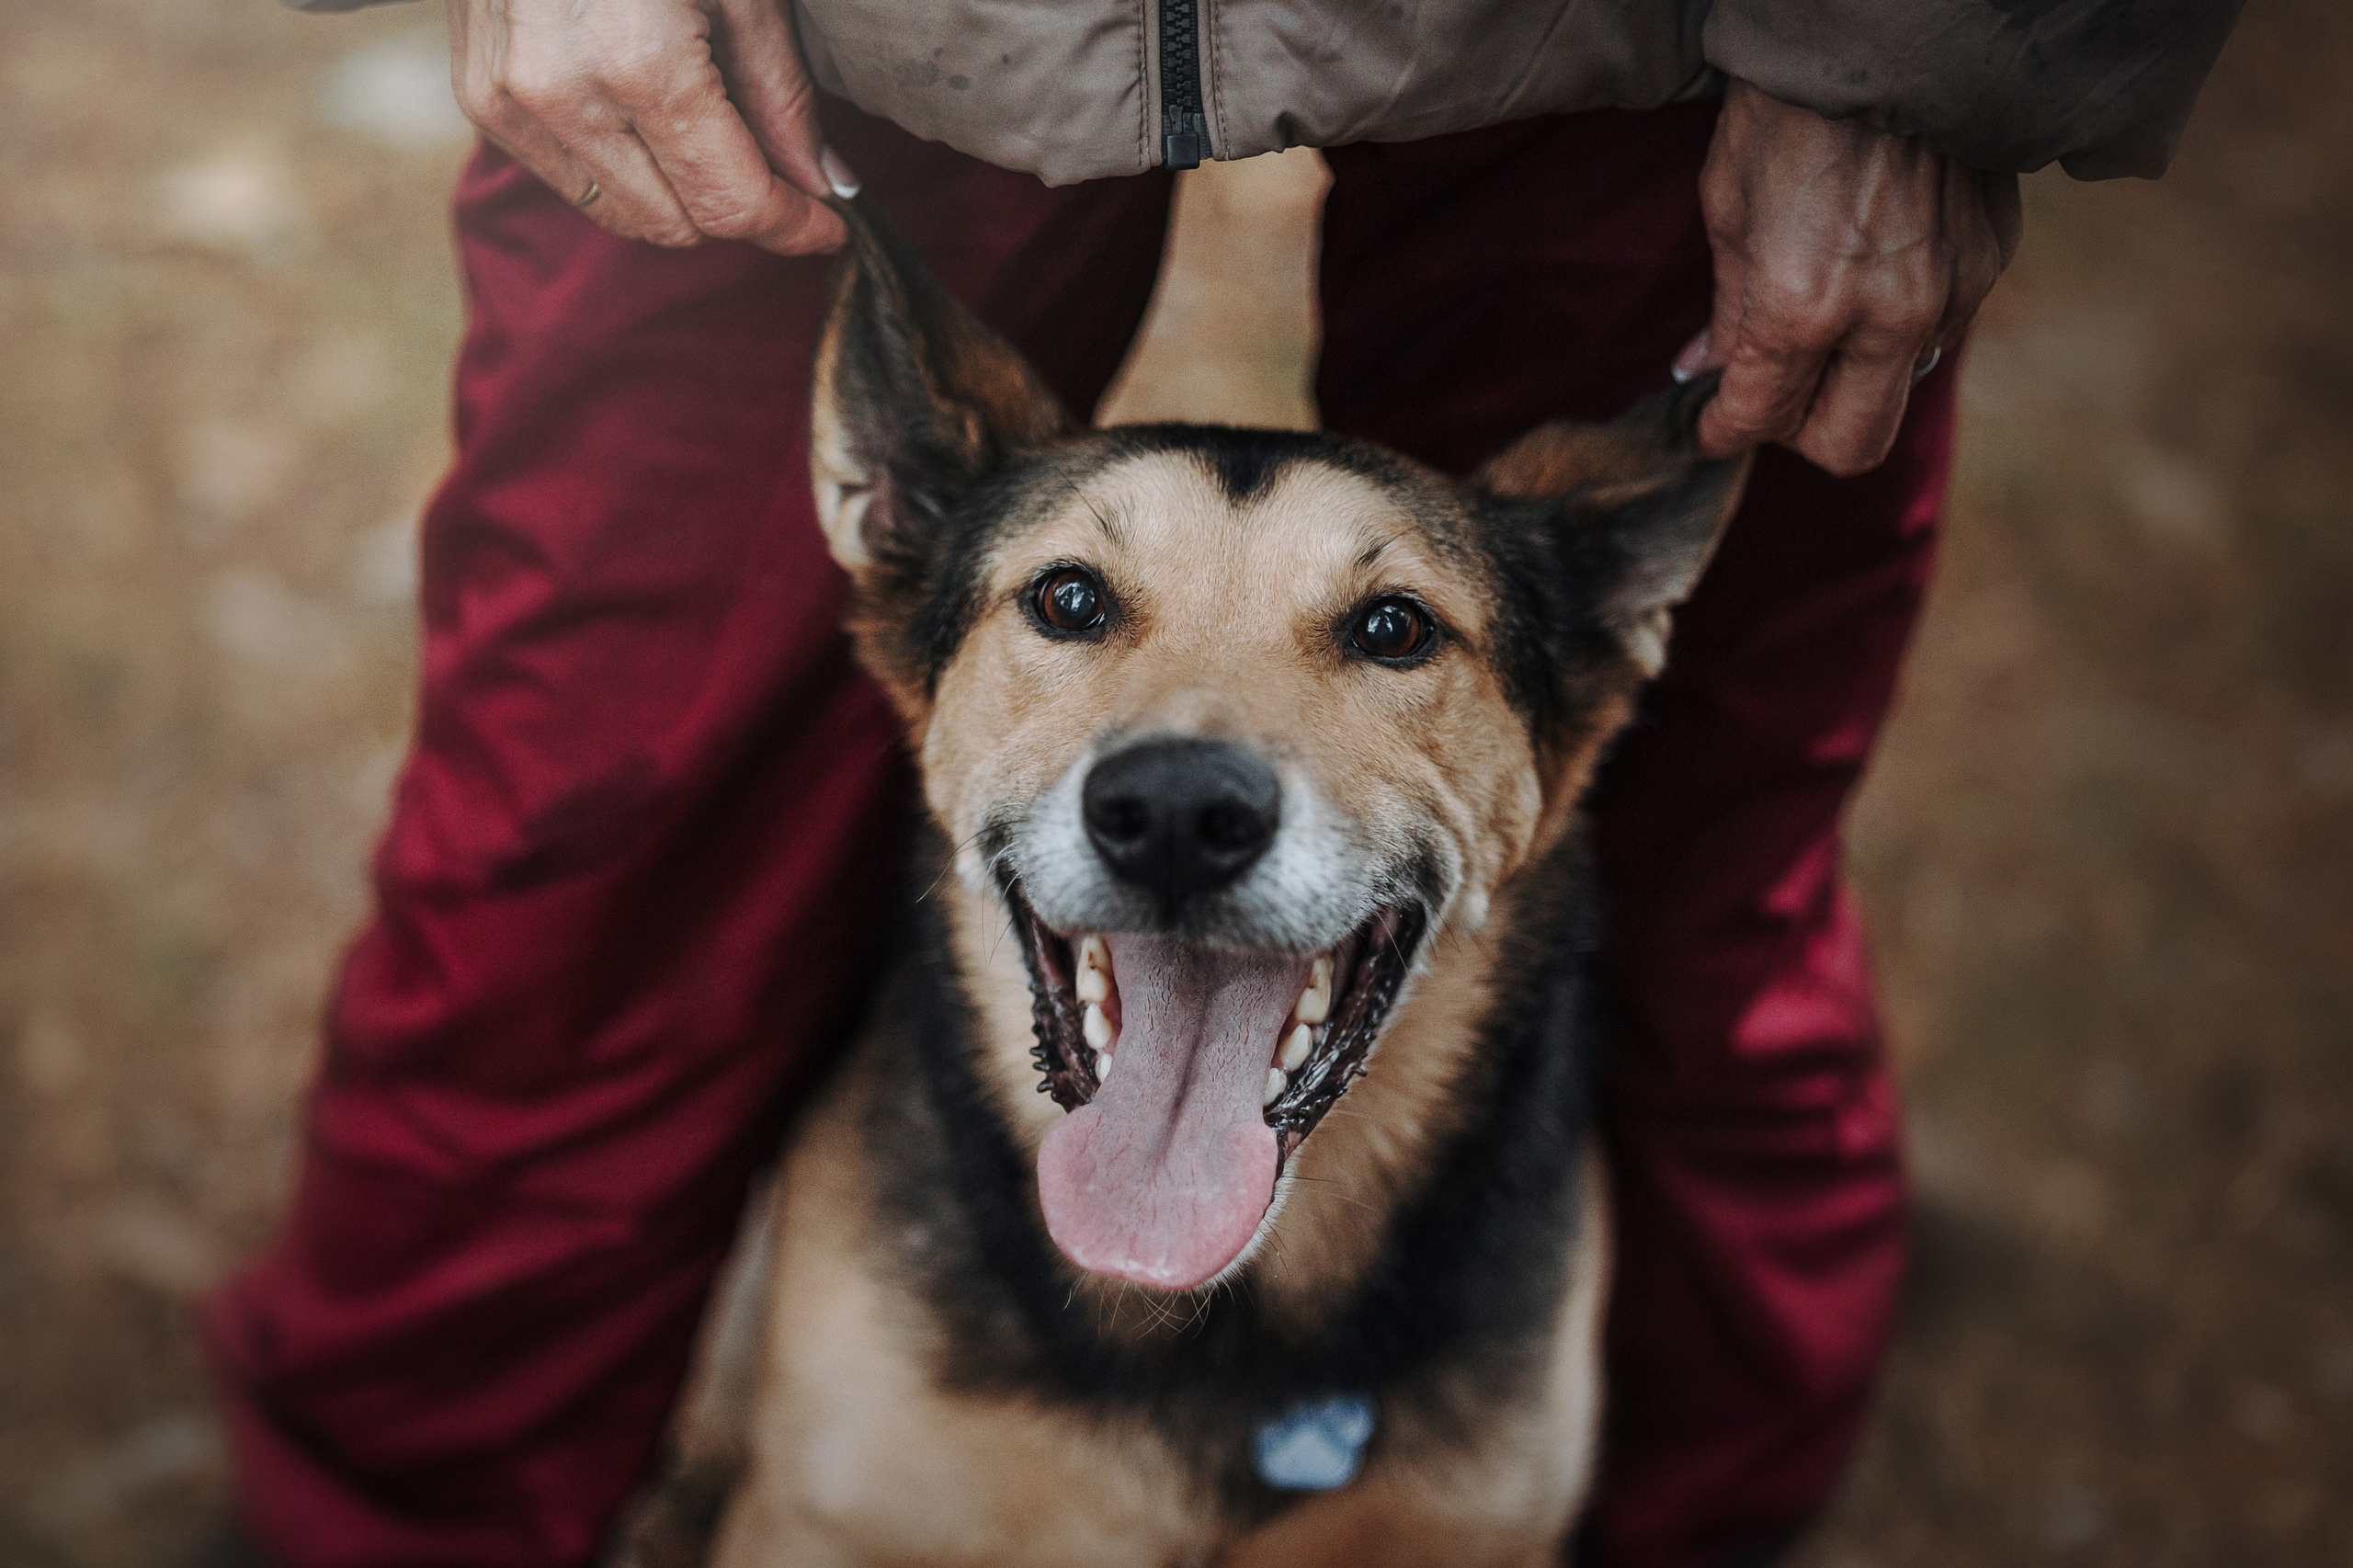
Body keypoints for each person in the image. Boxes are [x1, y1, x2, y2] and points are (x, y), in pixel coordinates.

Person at [201, 1, 2241, 1564]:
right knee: (578, 863)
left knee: (1692, 906)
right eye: (1080, 603)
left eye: (1376, 636)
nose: (1194, 766)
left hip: (1659, 37)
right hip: (835, 42)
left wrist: (1910, 55)